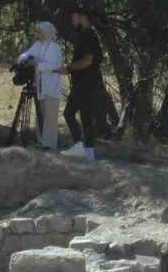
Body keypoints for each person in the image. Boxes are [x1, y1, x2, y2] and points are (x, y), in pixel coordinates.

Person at [59, 7, 106, 161]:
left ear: (83, 17)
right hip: (93, 82)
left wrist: (69, 67)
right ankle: (89, 152)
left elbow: (88, 60)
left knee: (68, 113)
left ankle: (78, 146)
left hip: (84, 82)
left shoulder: (86, 34)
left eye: (74, 19)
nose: (72, 23)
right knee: (86, 116)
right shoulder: (93, 34)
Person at [17, 21, 63, 151]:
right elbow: (24, 55)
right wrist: (25, 59)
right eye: (36, 32)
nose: (37, 34)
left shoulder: (55, 47)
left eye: (39, 32)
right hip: (39, 86)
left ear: (46, 33)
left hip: (51, 86)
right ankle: (40, 140)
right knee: (40, 114)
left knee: (50, 116)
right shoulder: (37, 45)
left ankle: (49, 144)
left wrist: (38, 64)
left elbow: (55, 65)